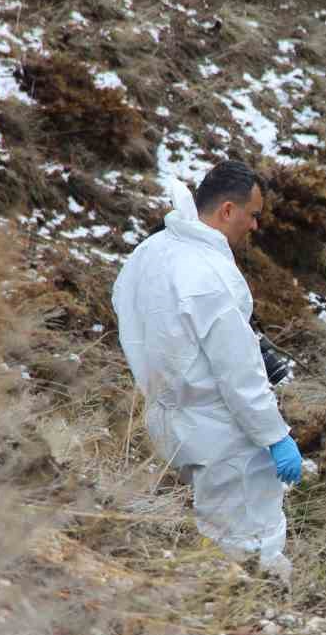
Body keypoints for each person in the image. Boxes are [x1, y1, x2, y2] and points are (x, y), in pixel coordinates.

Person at [112, 160, 303, 583]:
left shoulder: (152, 251)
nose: (255, 227)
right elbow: (239, 374)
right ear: (228, 210)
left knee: (209, 539)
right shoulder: (209, 273)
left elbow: (132, 318)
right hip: (224, 434)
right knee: (253, 547)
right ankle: (256, 627)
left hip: (169, 417)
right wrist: (275, 436)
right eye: (253, 215)